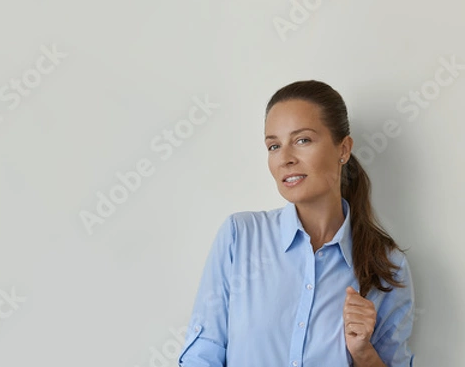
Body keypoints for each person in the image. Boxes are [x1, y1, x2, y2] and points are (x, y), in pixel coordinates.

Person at [177, 80, 416, 367]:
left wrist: (363, 352)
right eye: (274, 146)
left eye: (302, 140)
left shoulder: (386, 266)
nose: (285, 159)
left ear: (343, 149)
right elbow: (202, 356)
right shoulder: (239, 237)